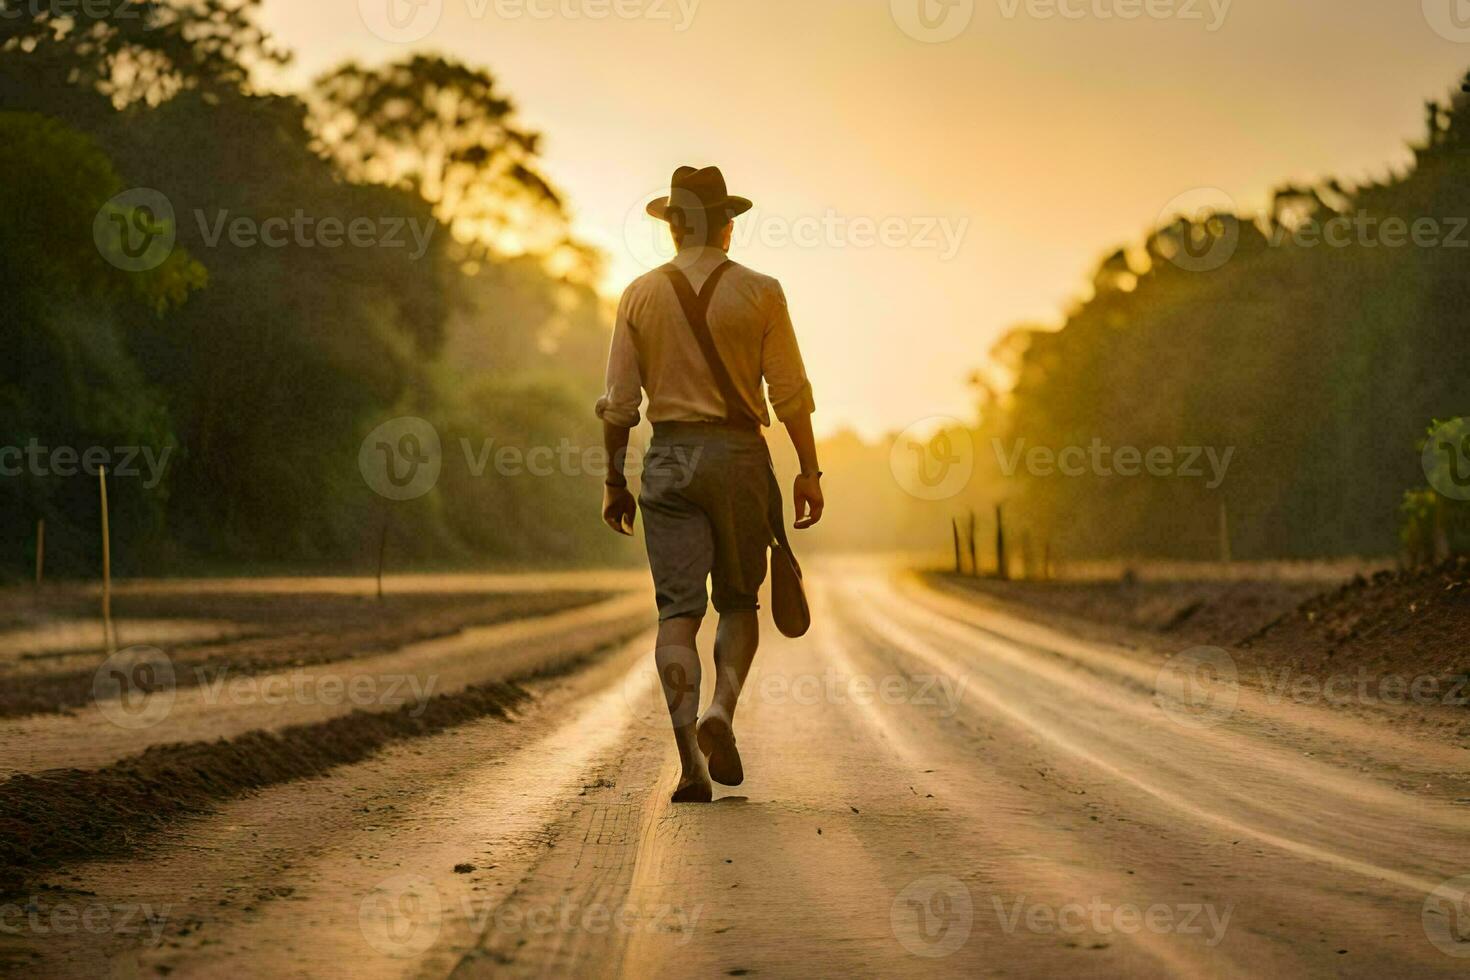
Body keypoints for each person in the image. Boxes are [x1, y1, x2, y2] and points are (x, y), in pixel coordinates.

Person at [597, 165, 824, 802]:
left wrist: (614, 479)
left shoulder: (638, 295)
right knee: (737, 602)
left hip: (667, 456)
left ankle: (690, 771)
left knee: (676, 615)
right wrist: (808, 470)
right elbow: (791, 395)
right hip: (739, 458)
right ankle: (720, 709)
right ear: (726, 225)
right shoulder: (761, 291)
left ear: (672, 229)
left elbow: (619, 404)